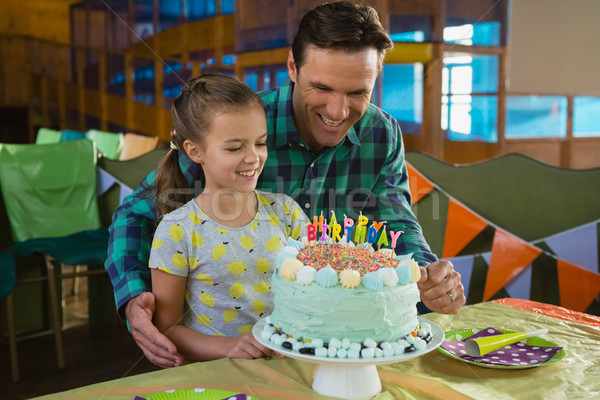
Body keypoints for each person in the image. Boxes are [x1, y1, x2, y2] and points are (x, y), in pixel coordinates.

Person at [105, 1, 465, 368]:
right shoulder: (235, 128)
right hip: (221, 357)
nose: (339, 111)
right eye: (322, 87)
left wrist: (427, 275)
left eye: (358, 92)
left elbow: (396, 223)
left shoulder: (382, 134)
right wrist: (134, 297)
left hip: (328, 344)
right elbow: (133, 216)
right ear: (293, 67)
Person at [148, 74, 308, 361]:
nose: (253, 158)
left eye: (260, 143)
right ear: (194, 151)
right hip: (218, 374)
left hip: (288, 368)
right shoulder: (176, 231)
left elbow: (315, 291)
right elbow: (167, 326)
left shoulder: (287, 212)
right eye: (235, 148)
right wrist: (230, 349)